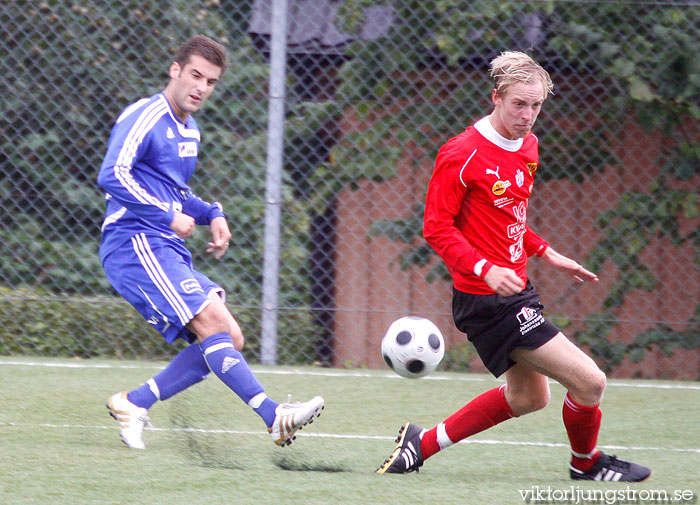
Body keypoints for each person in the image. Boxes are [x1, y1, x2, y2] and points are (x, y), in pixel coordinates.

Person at [376, 51, 650, 482]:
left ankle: (420, 444)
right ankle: (586, 464)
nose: (528, 115)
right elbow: (436, 228)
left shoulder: (528, 146)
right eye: (518, 104)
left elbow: (509, 216)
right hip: (486, 299)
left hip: (516, 290)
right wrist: (485, 268)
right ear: (496, 98)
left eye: (536, 105)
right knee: (589, 381)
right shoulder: (462, 153)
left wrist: (545, 252)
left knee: (527, 398)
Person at [97, 35, 324, 450]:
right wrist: (168, 216)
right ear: (175, 70)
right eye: (195, 75)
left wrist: (212, 213)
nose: (201, 87)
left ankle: (133, 402)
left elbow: (175, 192)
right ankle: (274, 416)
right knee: (214, 327)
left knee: (229, 338)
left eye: (211, 81)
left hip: (162, 245)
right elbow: (112, 175)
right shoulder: (146, 116)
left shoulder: (190, 130)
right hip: (134, 242)